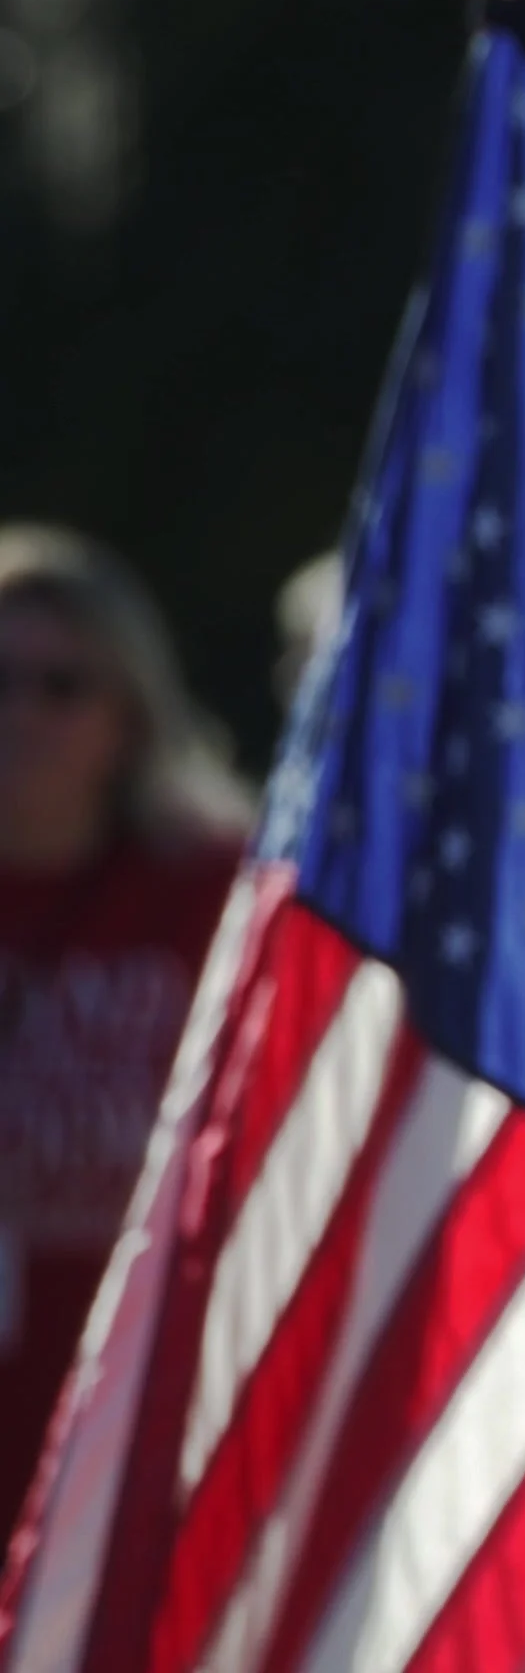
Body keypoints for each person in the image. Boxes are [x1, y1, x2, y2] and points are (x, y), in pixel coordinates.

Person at [0, 525, 249, 1494]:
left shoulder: (212, 894)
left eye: (62, 686)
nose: (21, 712)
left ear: (130, 718)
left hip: (144, 1422)